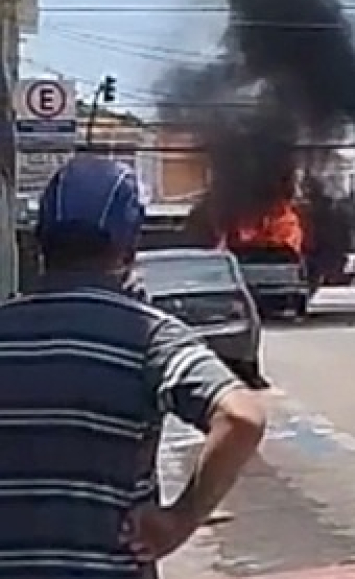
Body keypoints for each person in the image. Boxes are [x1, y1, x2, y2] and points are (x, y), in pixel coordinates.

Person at [0, 155, 267, 578]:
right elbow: (241, 417)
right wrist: (181, 519)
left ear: (39, 240)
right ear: (130, 242)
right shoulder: (148, 336)